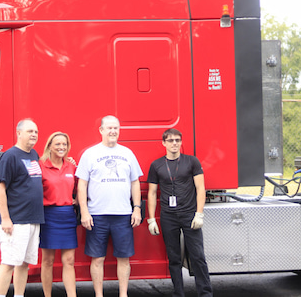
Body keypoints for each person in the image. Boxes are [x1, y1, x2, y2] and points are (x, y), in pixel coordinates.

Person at [75, 115, 143, 297]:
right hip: (97, 215)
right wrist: (84, 211)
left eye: (116, 128)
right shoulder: (90, 154)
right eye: (110, 128)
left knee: (124, 258)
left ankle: (123, 294)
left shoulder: (128, 153)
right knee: (97, 259)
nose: (113, 131)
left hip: (123, 215)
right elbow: (82, 184)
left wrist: (136, 208)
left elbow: (135, 182)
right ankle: (99, 294)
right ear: (101, 130)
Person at [146, 128, 212, 297]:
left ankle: (205, 293)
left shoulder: (192, 162)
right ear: (164, 143)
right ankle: (178, 293)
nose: (174, 143)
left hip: (190, 215)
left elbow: (200, 188)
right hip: (169, 217)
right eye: (170, 140)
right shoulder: (157, 165)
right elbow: (152, 193)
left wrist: (199, 214)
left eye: (177, 140)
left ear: (181, 142)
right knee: (174, 258)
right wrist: (151, 219)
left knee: (197, 256)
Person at [0, 119, 45, 297]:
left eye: (36, 132)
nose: (34, 135)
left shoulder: (33, 155)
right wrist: (6, 218)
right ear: (19, 133)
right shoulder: (10, 156)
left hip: (33, 219)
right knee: (8, 262)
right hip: (16, 220)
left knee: (24, 263)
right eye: (30, 131)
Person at [39, 131, 78, 297]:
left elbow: (80, 189)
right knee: (47, 261)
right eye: (57, 144)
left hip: (67, 215)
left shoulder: (72, 166)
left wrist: (77, 200)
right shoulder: (41, 165)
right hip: (48, 216)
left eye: (64, 144)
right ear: (49, 146)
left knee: (69, 261)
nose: (61, 147)